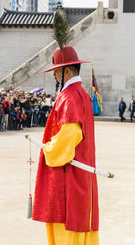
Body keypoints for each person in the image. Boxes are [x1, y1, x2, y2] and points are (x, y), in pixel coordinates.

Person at [32, 46, 99, 244]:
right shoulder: (82, 95)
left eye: (56, 70)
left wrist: (49, 149)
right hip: (80, 176)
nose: (54, 75)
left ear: (66, 71)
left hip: (68, 178)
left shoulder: (69, 97)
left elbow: (70, 134)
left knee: (67, 230)